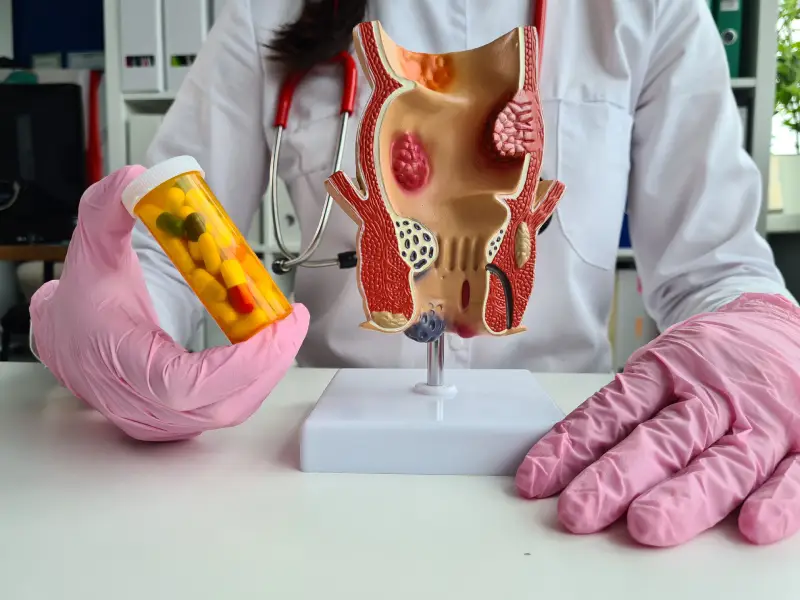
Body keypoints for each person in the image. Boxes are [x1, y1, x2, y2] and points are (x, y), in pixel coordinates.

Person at [30, 0, 800, 547]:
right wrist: (116, 320)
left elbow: (715, 266)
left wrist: (760, 332)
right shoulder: (268, 10)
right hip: (317, 486)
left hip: (565, 469)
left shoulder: (648, 9)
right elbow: (169, 242)